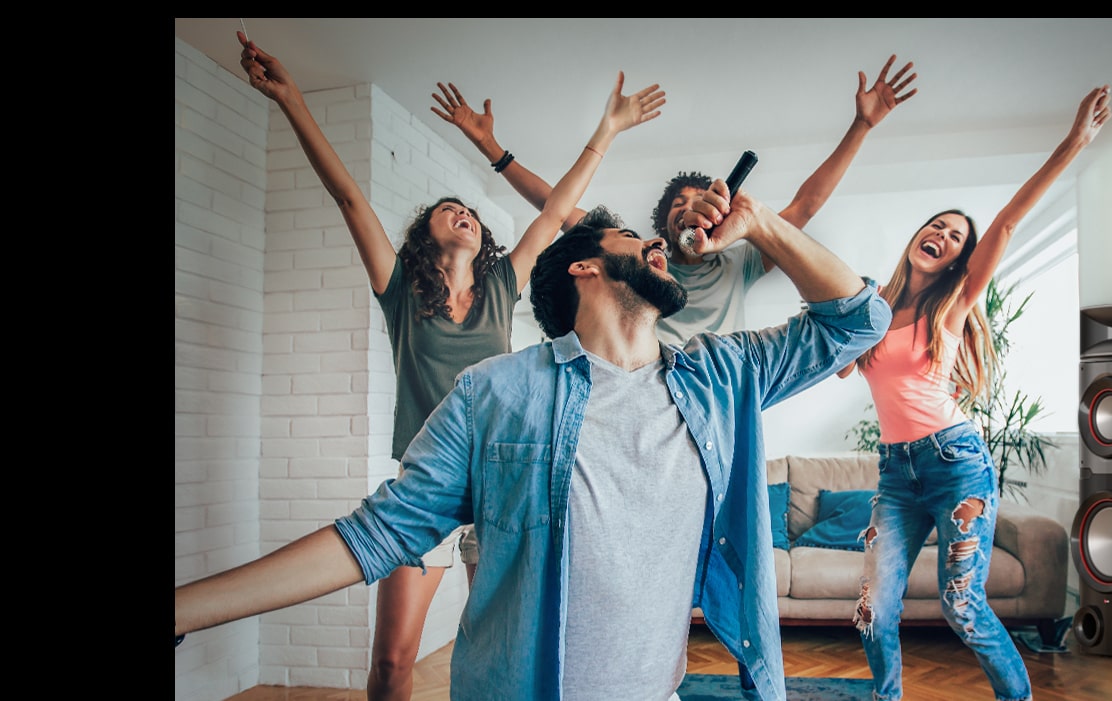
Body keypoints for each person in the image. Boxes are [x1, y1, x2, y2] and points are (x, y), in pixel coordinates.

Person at [176, 177, 892, 700]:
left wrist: (760, 223)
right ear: (585, 266)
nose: (658, 245)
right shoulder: (494, 392)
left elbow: (859, 320)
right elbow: (375, 535)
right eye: (633, 239)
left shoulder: (721, 375)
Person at [230, 31, 665, 701]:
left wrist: (606, 129)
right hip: (429, 483)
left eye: (467, 211)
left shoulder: (501, 285)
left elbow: (556, 212)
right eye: (445, 210)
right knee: (392, 661)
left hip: (504, 482)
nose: (460, 212)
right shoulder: (399, 291)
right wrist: (290, 99)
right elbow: (348, 197)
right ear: (423, 236)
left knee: (512, 649)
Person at [839, 84, 1112, 701]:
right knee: (873, 609)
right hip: (895, 474)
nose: (941, 234)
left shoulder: (955, 304)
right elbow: (837, 367)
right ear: (916, 237)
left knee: (962, 605)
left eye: (956, 236)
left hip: (955, 463)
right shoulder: (874, 309)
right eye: (935, 225)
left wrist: (1073, 142)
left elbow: (1009, 220)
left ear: (960, 261)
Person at [432, 54, 917, 344]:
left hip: (715, 393)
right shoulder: (641, 261)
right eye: (677, 206)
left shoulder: (739, 265)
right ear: (663, 228)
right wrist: (492, 149)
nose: (689, 208)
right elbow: (553, 205)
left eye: (699, 201)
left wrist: (861, 125)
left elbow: (805, 206)